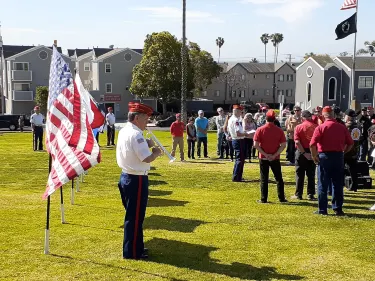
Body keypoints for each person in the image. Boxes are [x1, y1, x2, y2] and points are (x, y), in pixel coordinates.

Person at [116, 102, 162, 260]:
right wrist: (155, 152)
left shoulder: (125, 131)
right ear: (136, 118)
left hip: (127, 176)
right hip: (136, 179)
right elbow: (146, 158)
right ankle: (132, 252)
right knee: (135, 217)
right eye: (145, 119)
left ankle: (137, 246)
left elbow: (133, 150)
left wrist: (147, 144)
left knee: (134, 216)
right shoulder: (136, 134)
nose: (147, 122)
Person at [310, 106, 354, 216]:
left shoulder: (320, 127)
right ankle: (337, 208)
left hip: (324, 156)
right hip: (338, 156)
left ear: (324, 115)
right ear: (333, 114)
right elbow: (350, 143)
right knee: (337, 184)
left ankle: (323, 209)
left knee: (323, 184)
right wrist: (343, 152)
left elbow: (312, 144)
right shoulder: (341, 127)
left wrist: (314, 156)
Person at [253, 110, 288, 203]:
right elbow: (283, 145)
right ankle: (281, 198)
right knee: (279, 178)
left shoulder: (260, 129)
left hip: (263, 157)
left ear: (266, 118)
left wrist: (265, 154)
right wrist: (274, 155)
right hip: (275, 158)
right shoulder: (279, 130)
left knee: (264, 178)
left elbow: (256, 145)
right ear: (274, 119)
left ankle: (263, 198)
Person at [292, 110, 318, 201]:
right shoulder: (316, 127)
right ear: (310, 117)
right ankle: (310, 194)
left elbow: (297, 142)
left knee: (299, 173)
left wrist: (304, 153)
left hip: (301, 151)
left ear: (302, 117)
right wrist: (314, 153)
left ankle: (298, 194)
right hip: (313, 150)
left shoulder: (298, 127)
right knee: (311, 174)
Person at [227, 105, 252, 182]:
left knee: (239, 159)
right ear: (237, 111)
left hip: (236, 140)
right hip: (239, 140)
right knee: (240, 159)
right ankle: (237, 177)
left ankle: (237, 175)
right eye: (241, 111)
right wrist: (246, 134)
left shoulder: (232, 119)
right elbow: (238, 133)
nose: (242, 113)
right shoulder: (236, 121)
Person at [344, 109, 361, 192]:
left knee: (341, 169)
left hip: (346, 151)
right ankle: (354, 185)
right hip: (354, 151)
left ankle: (342, 184)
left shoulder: (347, 126)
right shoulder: (358, 126)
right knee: (353, 170)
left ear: (347, 117)